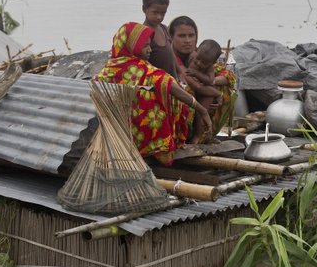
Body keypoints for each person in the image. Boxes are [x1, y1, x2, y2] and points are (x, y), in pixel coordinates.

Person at [94, 22, 212, 165]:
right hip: (140, 133)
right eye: (145, 46)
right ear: (132, 46)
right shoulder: (141, 69)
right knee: (177, 98)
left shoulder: (108, 68)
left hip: (117, 133)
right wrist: (202, 110)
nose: (150, 50)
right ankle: (159, 149)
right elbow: (170, 86)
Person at [184, 39, 237, 142]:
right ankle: (194, 136)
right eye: (198, 59)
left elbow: (209, 81)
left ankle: (201, 135)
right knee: (201, 104)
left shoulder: (210, 68)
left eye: (204, 63)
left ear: (212, 63)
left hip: (203, 90)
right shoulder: (192, 59)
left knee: (203, 111)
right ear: (196, 51)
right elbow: (195, 85)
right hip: (192, 90)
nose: (199, 63)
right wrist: (217, 93)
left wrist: (196, 74)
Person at [142, 0, 179, 80]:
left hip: (172, 80)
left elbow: (171, 55)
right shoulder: (143, 34)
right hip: (158, 82)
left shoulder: (164, 29)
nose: (159, 17)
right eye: (155, 12)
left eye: (163, 13)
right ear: (144, 9)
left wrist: (179, 74)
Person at [169, 15, 198, 81]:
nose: (187, 41)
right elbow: (190, 80)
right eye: (182, 36)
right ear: (171, 37)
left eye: (191, 35)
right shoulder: (167, 57)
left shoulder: (200, 53)